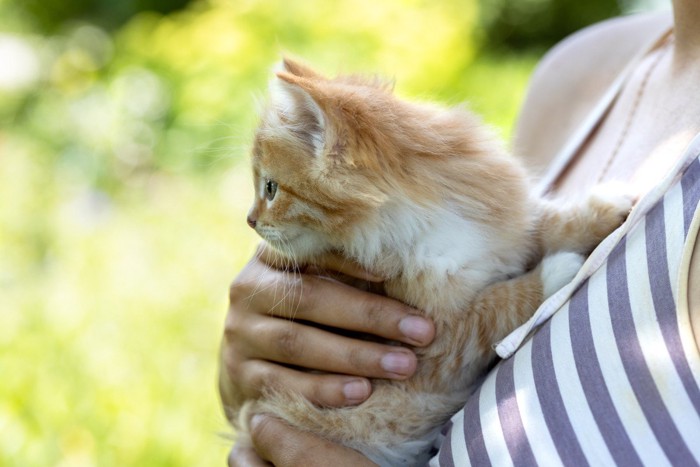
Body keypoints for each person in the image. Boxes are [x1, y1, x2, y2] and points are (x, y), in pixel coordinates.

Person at [219, 1, 700, 464]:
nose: (255, 217)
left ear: (331, 151)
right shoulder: (577, 73)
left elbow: (443, 346)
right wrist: (245, 376)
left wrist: (531, 289)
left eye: (272, 189)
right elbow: (510, 245)